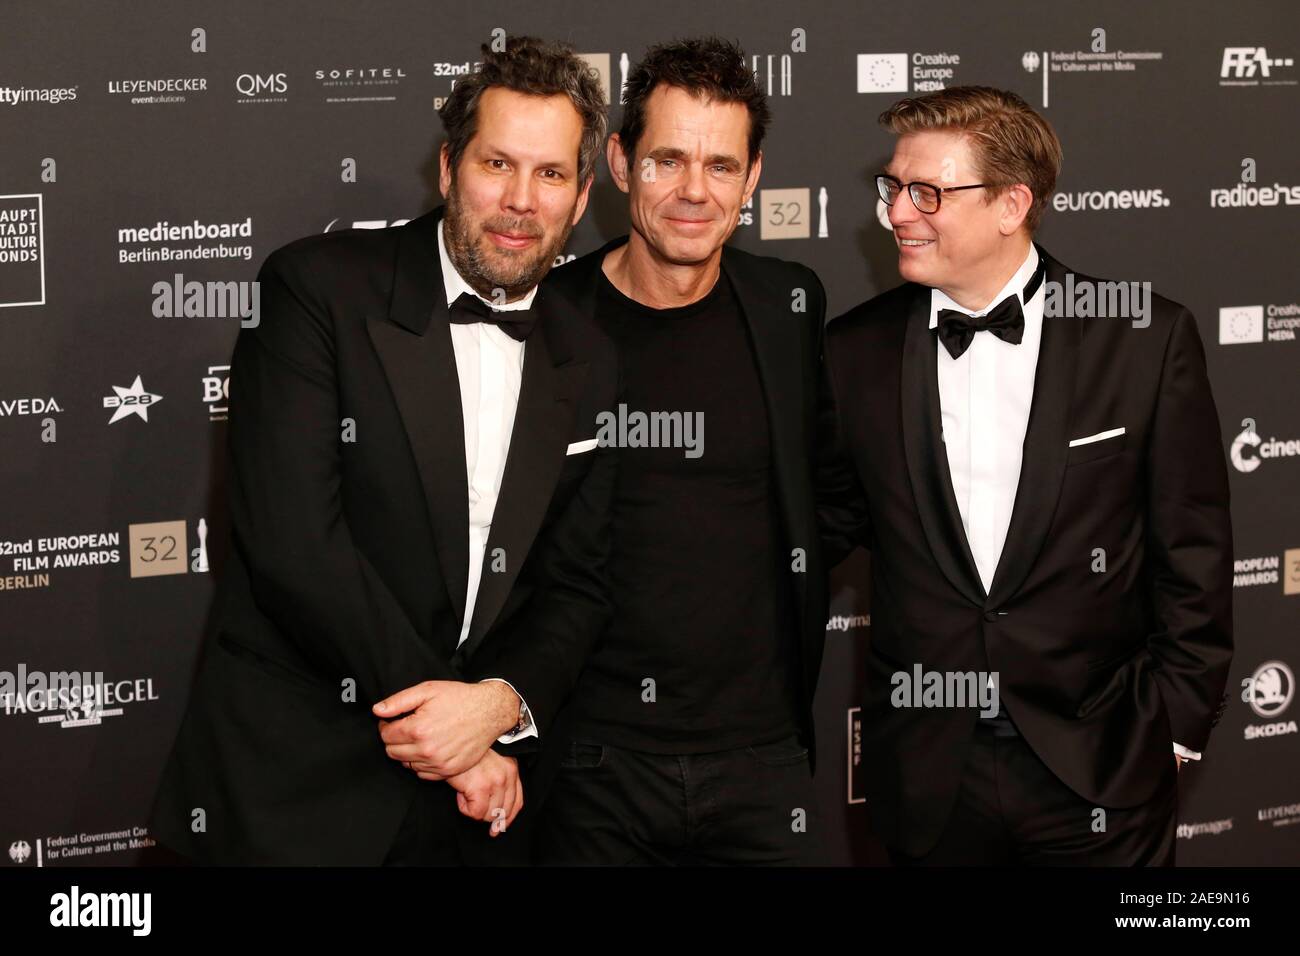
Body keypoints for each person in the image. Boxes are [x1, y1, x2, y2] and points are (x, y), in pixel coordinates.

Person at [149, 36, 618, 865]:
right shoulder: (315, 291)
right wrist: (457, 730)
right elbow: (296, 543)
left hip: (477, 821)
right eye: (496, 164)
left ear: (581, 197)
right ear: (447, 169)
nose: (520, 200)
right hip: (295, 795)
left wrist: (501, 707)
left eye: (549, 175)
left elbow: (577, 582)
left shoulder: (591, 356)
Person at [820, 86, 1233, 865]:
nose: (896, 212)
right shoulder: (854, 351)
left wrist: (1175, 731)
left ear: (1011, 205)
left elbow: (1197, 559)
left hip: (1100, 768)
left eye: (927, 192)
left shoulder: (1143, 338)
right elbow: (822, 527)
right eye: (893, 187)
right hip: (928, 773)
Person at [535, 37, 832, 866]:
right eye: (668, 160)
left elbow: (830, 498)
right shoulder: (544, 320)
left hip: (765, 758)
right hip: (591, 759)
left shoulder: (790, 308)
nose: (695, 192)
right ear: (622, 162)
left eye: (721, 166)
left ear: (753, 177)